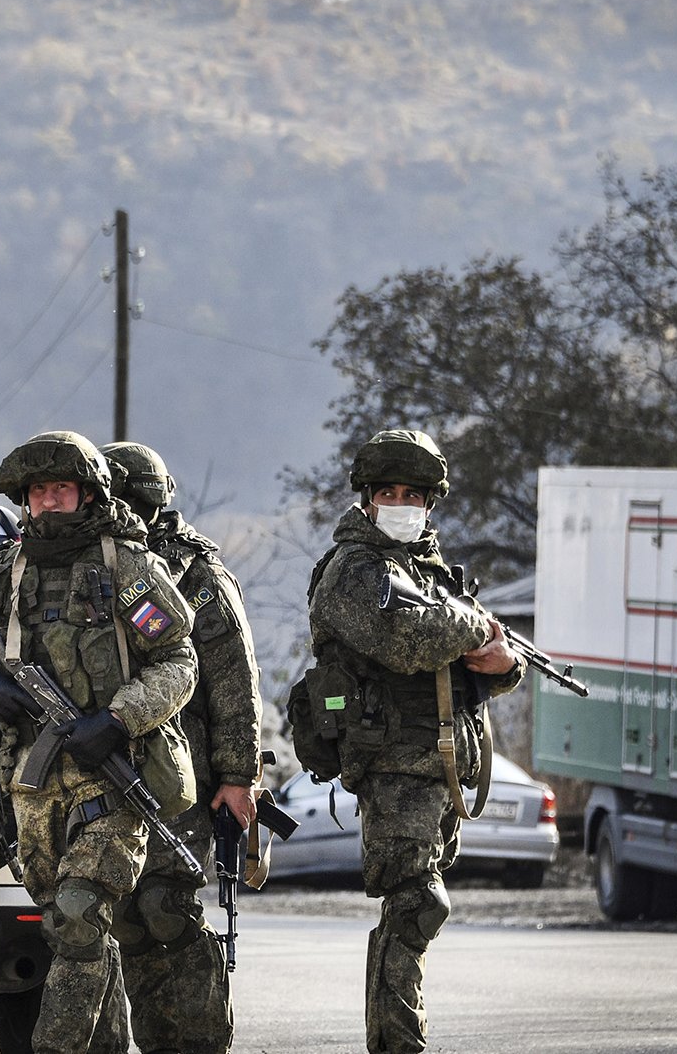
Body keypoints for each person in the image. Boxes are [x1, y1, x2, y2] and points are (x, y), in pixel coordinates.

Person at [0, 430, 198, 1054]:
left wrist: (116, 718)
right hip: (31, 785)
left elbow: (178, 661)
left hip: (111, 775)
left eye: (61, 489)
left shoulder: (128, 567)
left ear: (87, 493)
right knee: (78, 935)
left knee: (80, 917)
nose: (49, 501)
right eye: (38, 491)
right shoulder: (5, 570)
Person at [300, 429, 522, 1054]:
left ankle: (398, 1036)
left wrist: (502, 664)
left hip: (441, 769)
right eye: (388, 492)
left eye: (413, 495)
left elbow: (475, 663)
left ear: (431, 502)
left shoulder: (428, 573)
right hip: (393, 764)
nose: (400, 503)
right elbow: (405, 640)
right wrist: (474, 626)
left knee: (417, 910)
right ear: (367, 499)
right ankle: (399, 1042)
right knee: (417, 904)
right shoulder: (352, 571)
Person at [100, 441, 261, 1054]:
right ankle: (156, 1039)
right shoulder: (101, 563)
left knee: (170, 908)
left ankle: (201, 1043)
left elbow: (233, 682)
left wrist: (238, 775)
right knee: (128, 921)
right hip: (108, 767)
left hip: (183, 774)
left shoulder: (194, 574)